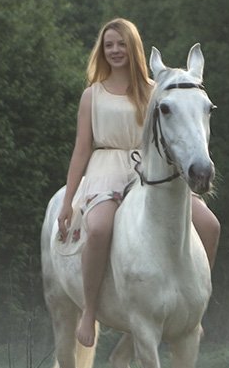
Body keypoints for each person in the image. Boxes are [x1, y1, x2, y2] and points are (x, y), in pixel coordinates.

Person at [56, 18, 220, 347]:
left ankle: (195, 304)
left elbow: (173, 132)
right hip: (106, 167)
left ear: (134, 48)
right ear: (101, 51)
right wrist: (68, 200)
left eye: (122, 44)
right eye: (109, 45)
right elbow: (82, 148)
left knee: (210, 225)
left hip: (149, 170)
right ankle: (89, 311)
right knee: (99, 228)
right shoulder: (92, 95)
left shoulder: (155, 90)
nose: (115, 50)